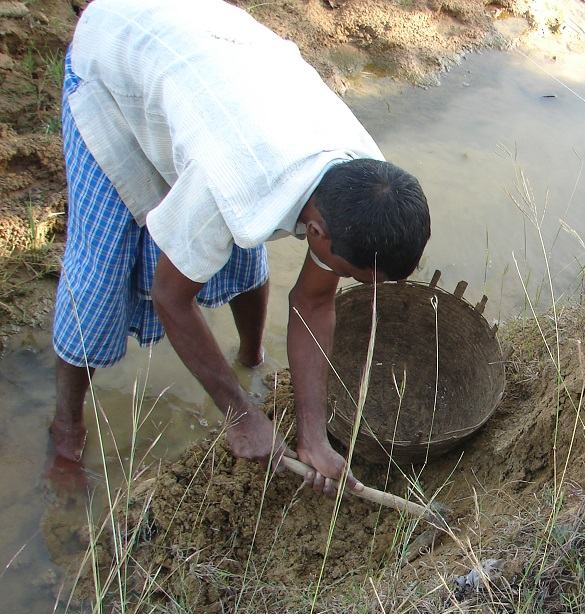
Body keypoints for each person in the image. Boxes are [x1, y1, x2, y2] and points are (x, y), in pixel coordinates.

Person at [48, 0, 431, 496]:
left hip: (214, 56)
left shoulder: (368, 183)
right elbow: (170, 297)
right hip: (116, 55)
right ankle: (66, 430)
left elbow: (314, 300)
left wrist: (312, 434)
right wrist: (239, 414)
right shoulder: (227, 183)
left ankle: (250, 357)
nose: (353, 284)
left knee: (243, 247)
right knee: (100, 268)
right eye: (355, 275)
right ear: (316, 232)